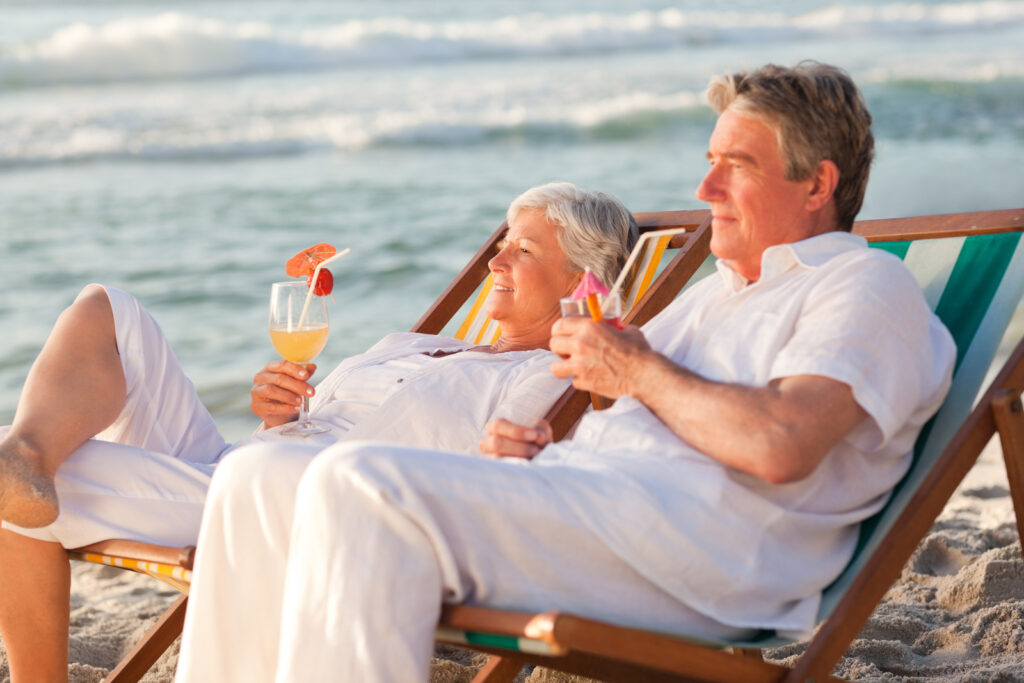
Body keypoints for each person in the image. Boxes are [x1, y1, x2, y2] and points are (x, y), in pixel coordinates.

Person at [174, 61, 957, 683]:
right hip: (602, 508)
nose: (704, 189)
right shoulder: (715, 300)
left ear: (817, 184)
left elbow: (782, 441)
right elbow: (655, 420)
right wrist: (545, 454)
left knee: (358, 482)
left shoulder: (862, 286)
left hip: (699, 555)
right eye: (709, 161)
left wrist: (637, 368)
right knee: (260, 476)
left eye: (736, 166)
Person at [0, 181, 639, 683]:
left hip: (301, 505)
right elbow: (314, 420)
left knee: (30, 479)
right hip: (239, 465)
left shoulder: (548, 374)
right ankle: (25, 451)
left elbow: (493, 474)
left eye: (523, 250)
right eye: (502, 241)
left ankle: (24, 458)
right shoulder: (415, 344)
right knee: (107, 306)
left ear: (581, 282)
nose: (495, 259)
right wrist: (279, 412)